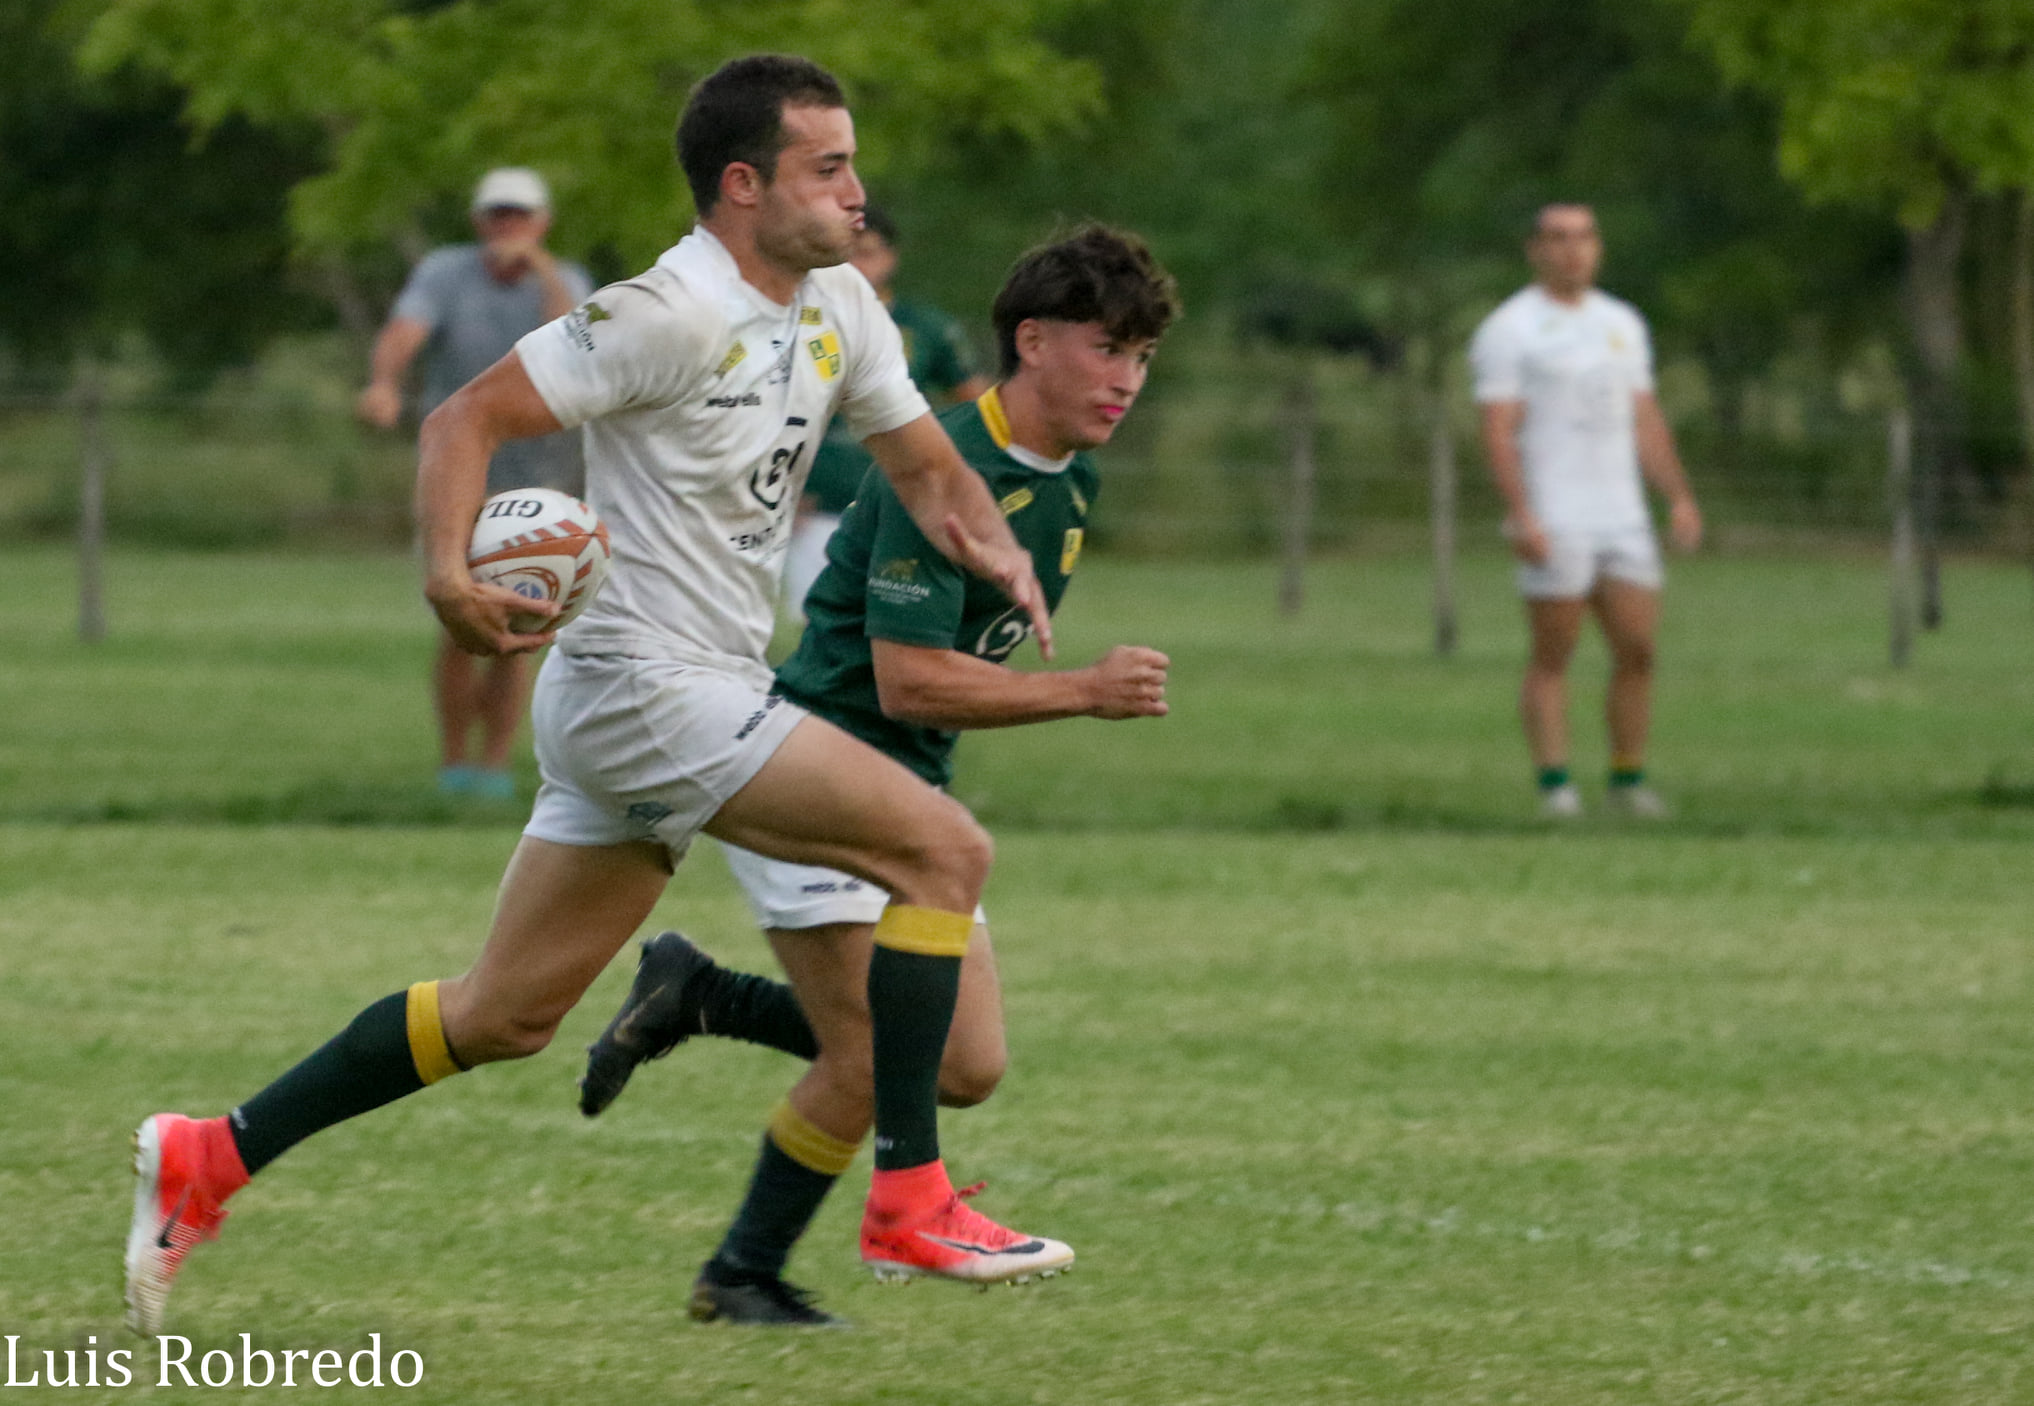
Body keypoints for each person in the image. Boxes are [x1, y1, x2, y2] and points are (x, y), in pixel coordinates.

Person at [123, 53, 1070, 1339]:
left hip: (682, 693)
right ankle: (908, 1194)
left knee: (502, 1013)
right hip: (643, 685)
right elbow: (461, 417)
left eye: (855, 165)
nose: (858, 192)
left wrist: (994, 542)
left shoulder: (843, 299)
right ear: (743, 186)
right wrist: (449, 579)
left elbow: (924, 465)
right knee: (943, 848)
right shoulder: (664, 311)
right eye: (828, 167)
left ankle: (211, 1151)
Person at [576, 224, 1179, 1326]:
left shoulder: (1071, 480)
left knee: (965, 1064)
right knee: (876, 1052)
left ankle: (700, 996)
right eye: (1108, 350)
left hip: (910, 792)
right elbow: (910, 683)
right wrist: (1086, 688)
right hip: (817, 771)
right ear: (1032, 341)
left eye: (1142, 358)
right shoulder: (946, 470)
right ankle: (744, 1269)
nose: (1127, 380)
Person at [357, 167, 594, 801]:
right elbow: (405, 332)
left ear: (541, 223)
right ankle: (454, 763)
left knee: (520, 625)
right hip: (463, 474)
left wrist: (539, 267)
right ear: (478, 220)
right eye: (497, 215)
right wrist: (383, 384)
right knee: (457, 614)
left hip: (541, 479)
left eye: (519, 216)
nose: (506, 226)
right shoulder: (444, 272)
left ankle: (493, 767)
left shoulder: (564, 279)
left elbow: (573, 339)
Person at [1469, 203, 1702, 820]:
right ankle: (1556, 785)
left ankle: (1628, 778)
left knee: (1638, 647)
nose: (1572, 249)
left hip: (1621, 513)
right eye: (1557, 238)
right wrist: (1522, 513)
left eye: (1583, 237)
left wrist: (1676, 495)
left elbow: (1644, 416)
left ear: (1598, 247)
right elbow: (1497, 427)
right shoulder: (1511, 328)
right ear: (1535, 249)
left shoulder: (1621, 322)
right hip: (1557, 511)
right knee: (1555, 652)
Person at [784, 204, 991, 617]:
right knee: (824, 622)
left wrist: (948, 477)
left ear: (890, 257)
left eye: (869, 252)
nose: (858, 264)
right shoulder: (799, 320)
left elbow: (978, 411)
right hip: (815, 502)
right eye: (849, 251)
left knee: (891, 622)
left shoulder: (923, 328)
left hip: (896, 499)